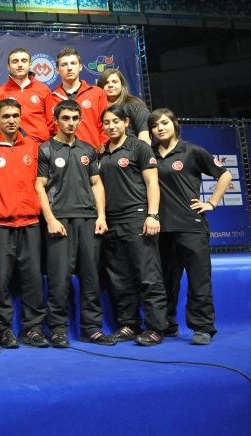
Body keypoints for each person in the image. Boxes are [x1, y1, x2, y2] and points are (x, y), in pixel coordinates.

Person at [35, 100, 115, 347]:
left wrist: (101, 215)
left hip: (89, 220)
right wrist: (50, 219)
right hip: (59, 221)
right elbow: (39, 185)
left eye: (74, 118)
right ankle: (57, 329)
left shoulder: (88, 150)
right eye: (66, 118)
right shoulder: (46, 149)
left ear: (80, 120)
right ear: (56, 120)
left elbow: (96, 183)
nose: (70, 123)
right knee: (59, 279)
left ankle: (91, 328)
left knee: (91, 277)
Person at [150, 108, 231, 345]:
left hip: (191, 226)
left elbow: (224, 175)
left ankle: (203, 328)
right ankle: (167, 325)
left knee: (198, 280)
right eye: (155, 125)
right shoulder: (150, 154)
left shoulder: (192, 151)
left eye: (164, 123)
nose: (160, 128)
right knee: (165, 281)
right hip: (161, 230)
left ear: (175, 124)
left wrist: (212, 203)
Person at [99, 105, 168, 346]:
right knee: (120, 278)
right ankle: (129, 324)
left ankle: (156, 328)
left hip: (137, 217)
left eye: (115, 121)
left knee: (148, 276)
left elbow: (152, 183)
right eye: (106, 122)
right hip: (111, 221)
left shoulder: (139, 147)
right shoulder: (102, 152)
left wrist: (153, 215)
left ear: (126, 122)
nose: (111, 126)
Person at [0, 99, 47, 348]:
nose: (11, 120)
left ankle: (33, 329)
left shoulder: (33, 146)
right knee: (0, 282)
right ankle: (4, 330)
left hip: (31, 223)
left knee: (33, 279)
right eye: (6, 116)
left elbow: (41, 185)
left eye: (15, 115)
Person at [47, 47, 108, 149]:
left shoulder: (97, 93)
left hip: (92, 154)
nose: (69, 68)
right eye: (64, 64)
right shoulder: (51, 97)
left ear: (80, 67)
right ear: (57, 70)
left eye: (73, 63)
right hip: (61, 155)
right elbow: (49, 129)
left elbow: (105, 123)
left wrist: (104, 146)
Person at [0, 47, 52, 143]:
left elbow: (51, 123)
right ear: (8, 66)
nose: (20, 65)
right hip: (12, 146)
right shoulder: (0, 92)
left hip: (41, 147)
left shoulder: (43, 90)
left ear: (30, 65)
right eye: (15, 61)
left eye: (24, 61)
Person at [97, 68, 150, 144]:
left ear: (122, 85)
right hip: (105, 153)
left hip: (131, 152)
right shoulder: (97, 107)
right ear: (100, 87)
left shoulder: (135, 104)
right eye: (106, 83)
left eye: (114, 82)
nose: (110, 85)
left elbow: (144, 135)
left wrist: (141, 154)